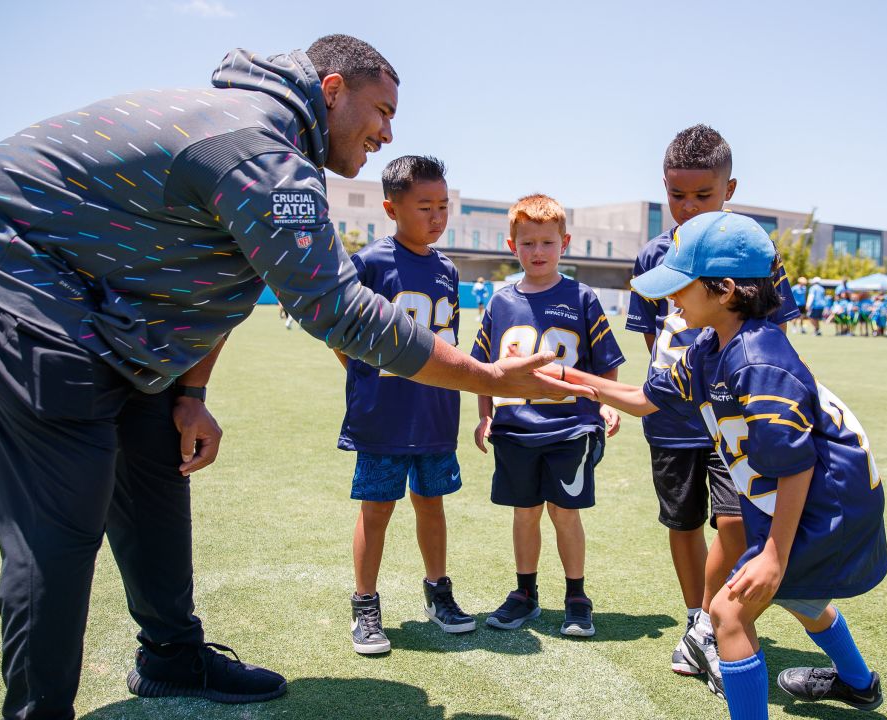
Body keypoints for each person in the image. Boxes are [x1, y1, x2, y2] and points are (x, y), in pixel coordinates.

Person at [0, 35, 585, 719]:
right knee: (65, 503)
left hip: (90, 288)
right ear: (332, 91)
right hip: (9, 252)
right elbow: (338, 309)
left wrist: (190, 392)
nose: (389, 134)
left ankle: (170, 655)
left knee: (154, 456)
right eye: (382, 110)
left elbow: (224, 275)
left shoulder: (272, 142)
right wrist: (484, 377)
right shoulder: (262, 152)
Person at [544, 212, 887, 718]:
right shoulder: (710, 346)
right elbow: (643, 397)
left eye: (681, 286)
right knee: (800, 597)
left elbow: (798, 465)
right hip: (803, 497)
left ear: (726, 290)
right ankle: (859, 685)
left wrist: (773, 552)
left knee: (728, 612)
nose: (671, 299)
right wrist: (569, 377)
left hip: (824, 501)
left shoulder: (757, 362)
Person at [624, 125, 801, 698]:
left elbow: (769, 337)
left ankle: (712, 618)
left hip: (733, 418)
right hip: (672, 417)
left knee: (733, 520)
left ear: (730, 188)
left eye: (702, 196)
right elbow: (652, 340)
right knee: (680, 524)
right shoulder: (653, 256)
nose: (687, 207)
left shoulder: (757, 254)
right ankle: (696, 621)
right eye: (677, 195)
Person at [334, 155, 473, 655]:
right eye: (425, 207)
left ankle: (438, 593)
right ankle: (366, 607)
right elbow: (340, 328)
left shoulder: (448, 270)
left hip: (435, 412)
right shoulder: (370, 262)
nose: (437, 217)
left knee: (431, 504)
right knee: (377, 509)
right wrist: (358, 372)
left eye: (444, 206)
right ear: (392, 208)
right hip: (383, 416)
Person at [471, 194, 625, 638]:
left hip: (569, 428)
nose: (537, 252)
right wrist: (485, 416)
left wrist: (606, 403)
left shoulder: (582, 296)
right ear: (511, 245)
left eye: (547, 243)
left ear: (565, 243)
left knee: (564, 511)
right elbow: (484, 369)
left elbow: (606, 360)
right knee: (524, 512)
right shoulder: (500, 302)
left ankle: (576, 596)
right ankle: (525, 594)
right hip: (515, 428)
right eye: (527, 243)